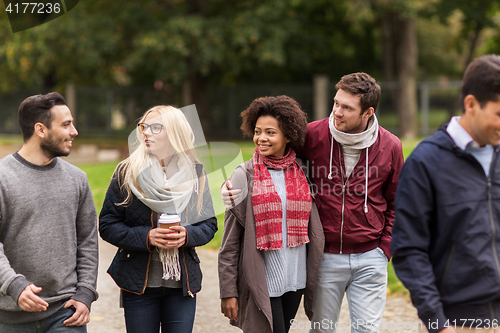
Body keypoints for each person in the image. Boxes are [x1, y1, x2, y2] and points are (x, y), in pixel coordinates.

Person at [223, 73, 404, 332]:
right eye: (336, 103)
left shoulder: (391, 146)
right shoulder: (312, 136)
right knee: (322, 329)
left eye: (347, 108)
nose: (337, 112)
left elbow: (398, 202)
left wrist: (384, 248)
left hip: (370, 255)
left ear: (368, 112)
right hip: (325, 256)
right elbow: (271, 160)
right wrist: (230, 187)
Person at [392, 55, 500, 333]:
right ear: (471, 104)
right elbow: (409, 249)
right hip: (458, 322)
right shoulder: (425, 162)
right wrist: (437, 323)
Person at [99, 105, 217, 333]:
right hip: (139, 285)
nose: (145, 133)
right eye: (144, 126)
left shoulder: (196, 173)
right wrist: (147, 236)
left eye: (155, 127)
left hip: (182, 285)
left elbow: (209, 225)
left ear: (174, 133)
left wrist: (187, 235)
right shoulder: (127, 171)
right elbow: (107, 225)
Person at [218, 95, 325, 333]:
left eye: (270, 132)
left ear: (288, 135)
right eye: (257, 131)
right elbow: (230, 242)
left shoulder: (303, 170)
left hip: (295, 280)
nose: (261, 138)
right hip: (261, 281)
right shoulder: (243, 174)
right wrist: (228, 290)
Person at [0, 92, 99, 332]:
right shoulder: (2, 177)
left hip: (65, 314)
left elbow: (87, 241)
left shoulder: (78, 179)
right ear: (40, 130)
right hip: (9, 317)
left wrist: (86, 292)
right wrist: (13, 284)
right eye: (66, 125)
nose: (74, 131)